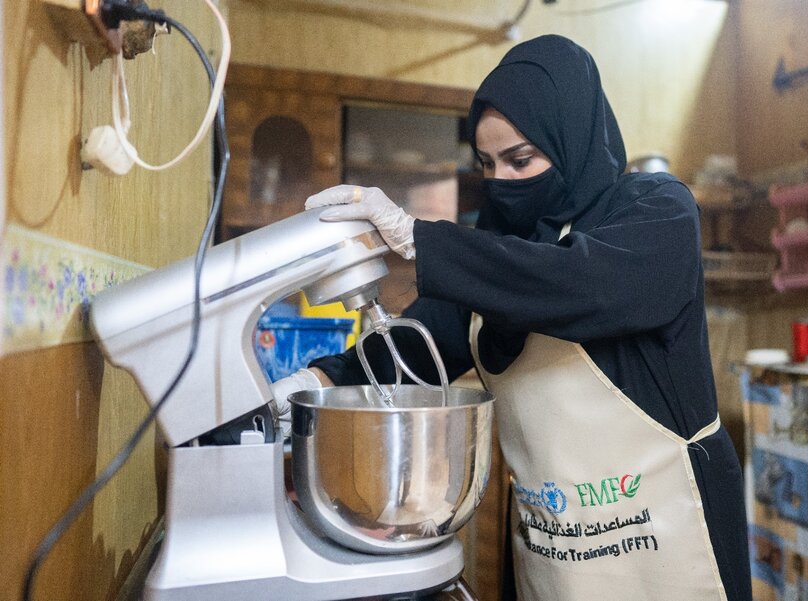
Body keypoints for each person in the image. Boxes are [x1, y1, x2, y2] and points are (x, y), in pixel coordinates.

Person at [280, 34, 752, 601]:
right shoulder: (497, 250)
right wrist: (315, 384)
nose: (502, 181)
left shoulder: (655, 211)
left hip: (665, 539)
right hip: (556, 549)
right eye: (487, 164)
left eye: (521, 159)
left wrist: (418, 240)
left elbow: (582, 282)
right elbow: (415, 346)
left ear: (571, 137)